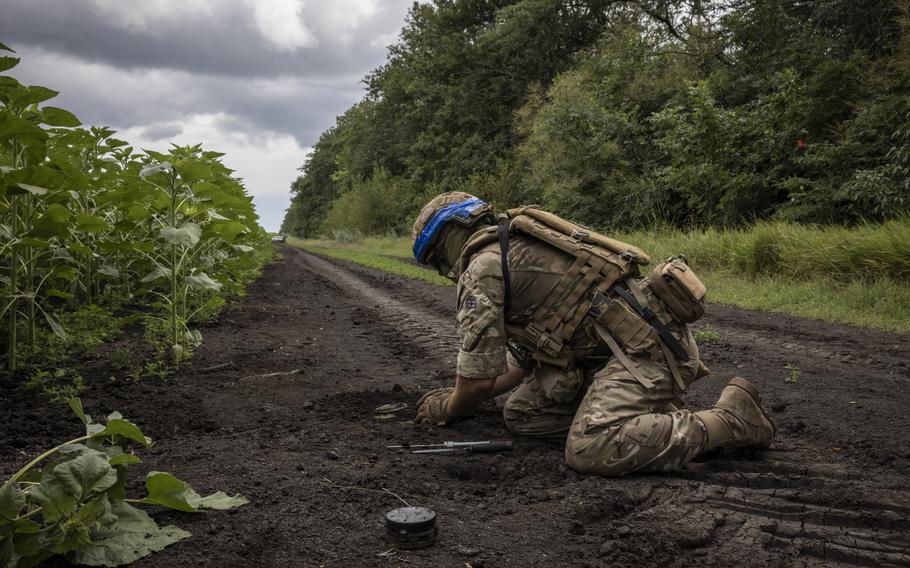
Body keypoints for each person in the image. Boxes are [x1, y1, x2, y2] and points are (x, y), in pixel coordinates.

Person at [411, 192, 775, 476]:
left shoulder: (481, 270)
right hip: (633, 348)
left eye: (435, 258)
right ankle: (642, 420)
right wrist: (465, 397)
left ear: (447, 241)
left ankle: (732, 419)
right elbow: (523, 356)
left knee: (588, 448)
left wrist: (449, 406)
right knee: (523, 414)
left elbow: (476, 381)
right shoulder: (513, 245)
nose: (441, 270)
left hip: (643, 355)